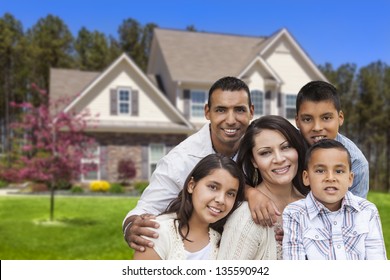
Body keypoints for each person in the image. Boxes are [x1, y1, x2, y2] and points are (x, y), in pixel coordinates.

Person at [123, 76, 263, 252]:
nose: (231, 120)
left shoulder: (261, 146)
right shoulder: (179, 161)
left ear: (251, 111)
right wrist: (131, 227)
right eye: (221, 110)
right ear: (207, 112)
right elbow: (146, 208)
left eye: (239, 110)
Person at [217, 115, 309, 260]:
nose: (279, 159)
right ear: (254, 161)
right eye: (265, 153)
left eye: (286, 147)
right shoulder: (246, 217)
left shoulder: (313, 205)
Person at [282, 139, 386, 260]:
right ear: (306, 177)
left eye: (339, 171)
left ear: (350, 178)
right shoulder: (295, 213)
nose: (330, 178)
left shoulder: (367, 211)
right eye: (320, 171)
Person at [133, 153, 246, 260]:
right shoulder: (157, 233)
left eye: (230, 194)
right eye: (213, 187)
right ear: (191, 185)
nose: (221, 200)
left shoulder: (223, 241)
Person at [295, 80, 369, 198]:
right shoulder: (286, 148)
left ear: (340, 118)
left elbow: (356, 212)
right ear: (297, 121)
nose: (317, 127)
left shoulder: (357, 164)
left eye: (326, 118)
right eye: (307, 119)